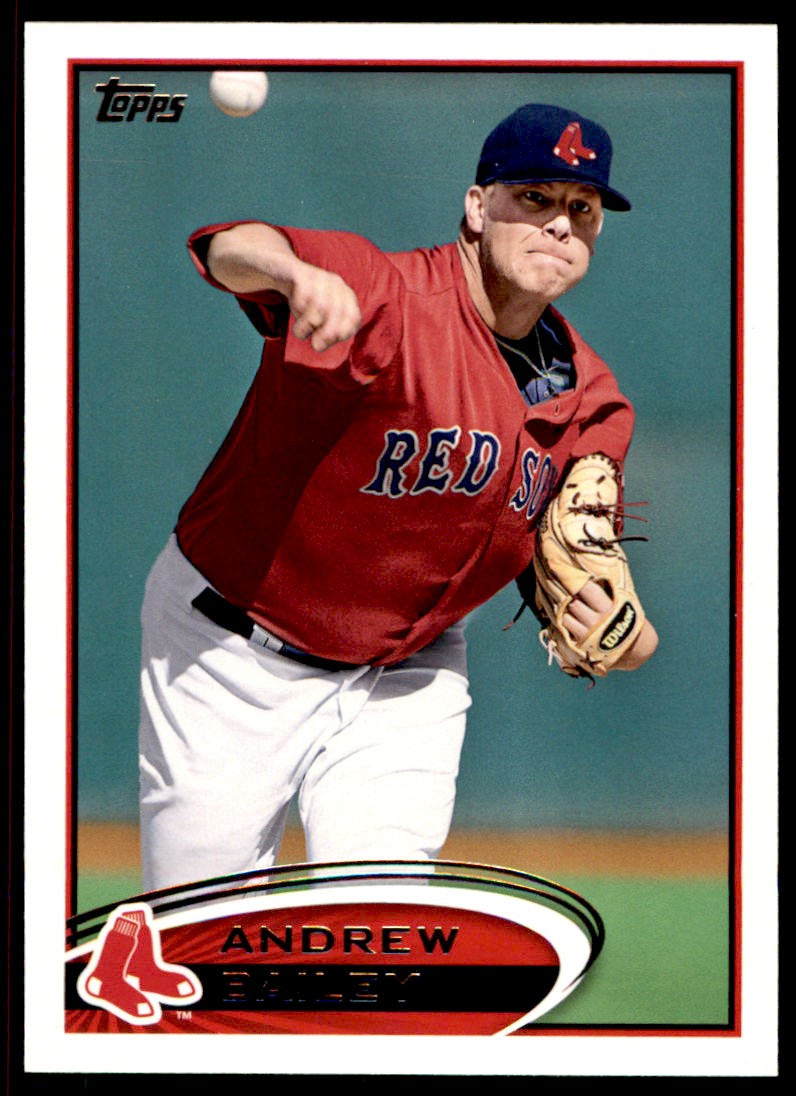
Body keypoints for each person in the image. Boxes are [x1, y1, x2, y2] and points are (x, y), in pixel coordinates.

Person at [138, 102, 658, 892]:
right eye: (535, 197)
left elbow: (584, 569)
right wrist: (293, 274)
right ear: (477, 207)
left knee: (377, 927)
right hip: (232, 653)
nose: (560, 223)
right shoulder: (388, 296)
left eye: (582, 209)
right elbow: (228, 247)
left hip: (406, 675)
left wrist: (626, 635)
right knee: (201, 935)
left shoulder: (592, 400)